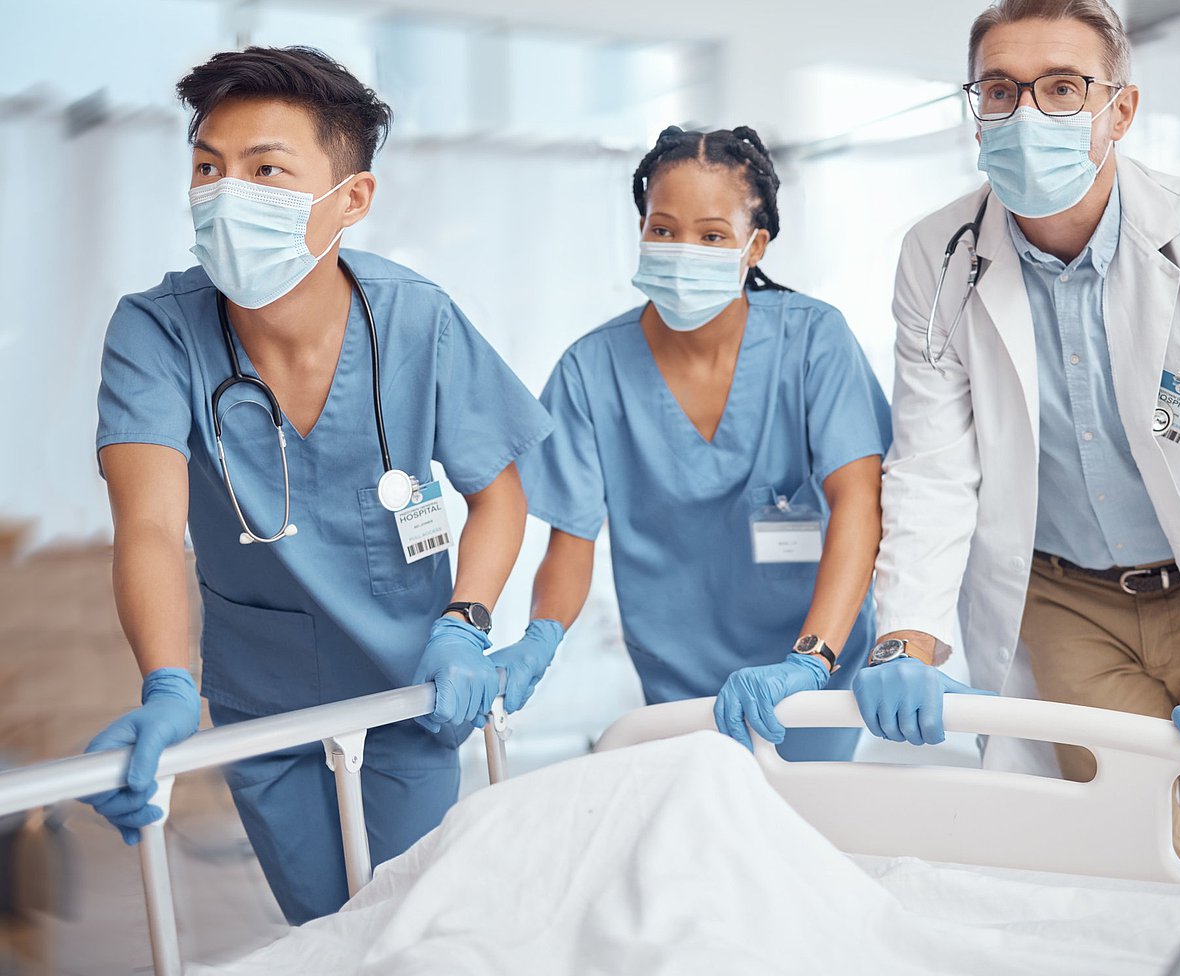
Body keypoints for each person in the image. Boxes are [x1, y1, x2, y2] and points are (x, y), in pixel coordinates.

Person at [854, 0, 1180, 872]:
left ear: (1119, 110)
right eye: (1001, 90)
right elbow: (932, 467)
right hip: (1065, 602)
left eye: (1062, 88)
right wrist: (908, 640)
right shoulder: (935, 256)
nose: (1027, 115)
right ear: (974, 111)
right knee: (1128, 860)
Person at [81, 46, 553, 923]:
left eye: (265, 170)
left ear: (353, 199)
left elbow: (500, 494)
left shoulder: (418, 317)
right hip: (266, 700)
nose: (226, 194)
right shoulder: (155, 332)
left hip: (411, 684)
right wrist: (168, 685)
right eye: (207, 168)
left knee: (412, 924)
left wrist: (465, 623)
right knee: (326, 928)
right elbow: (148, 526)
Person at [507, 126, 892, 761]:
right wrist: (541, 636)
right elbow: (571, 540)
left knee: (809, 837)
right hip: (677, 675)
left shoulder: (814, 341)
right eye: (662, 229)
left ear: (754, 245)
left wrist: (812, 657)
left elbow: (859, 503)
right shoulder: (591, 368)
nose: (683, 249)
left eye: (713, 235)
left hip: (813, 659)